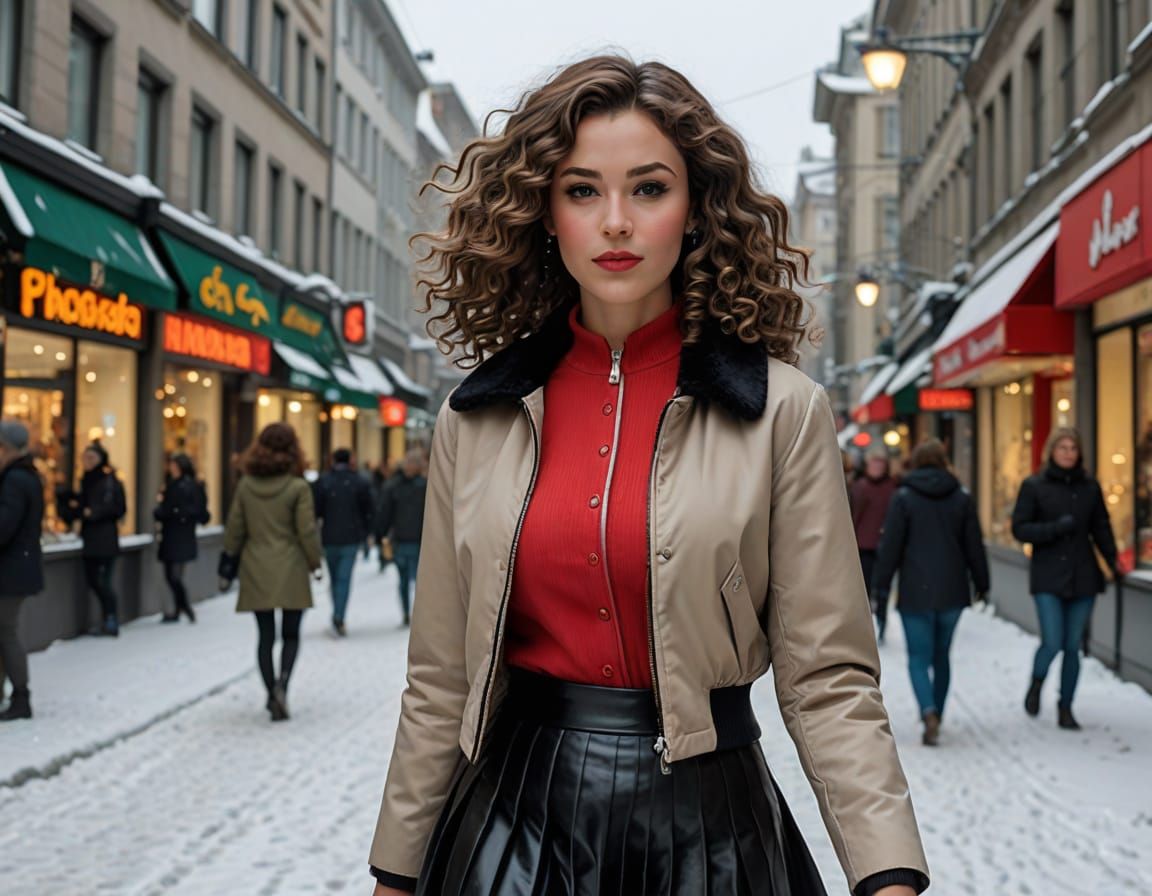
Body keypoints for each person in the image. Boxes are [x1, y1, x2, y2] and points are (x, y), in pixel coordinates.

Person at [367, 56, 928, 896]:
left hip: (715, 829)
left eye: (651, 189)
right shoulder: (476, 418)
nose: (617, 221)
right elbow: (443, 676)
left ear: (696, 209)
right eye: (583, 190)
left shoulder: (783, 412)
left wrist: (887, 872)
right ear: (544, 211)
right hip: (515, 825)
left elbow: (828, 678)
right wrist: (395, 873)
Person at [870, 439, 990, 746]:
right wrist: (982, 583)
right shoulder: (961, 498)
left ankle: (927, 711)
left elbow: (891, 546)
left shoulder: (904, 498)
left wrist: (880, 585)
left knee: (918, 657)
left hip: (915, 589)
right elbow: (974, 546)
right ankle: (939, 709)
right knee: (941, 656)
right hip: (952, 589)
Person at [1012, 427, 1118, 730]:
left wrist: (1112, 561)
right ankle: (1037, 682)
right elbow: (1020, 529)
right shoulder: (1034, 485)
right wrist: (1055, 528)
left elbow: (1101, 527)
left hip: (1083, 575)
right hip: (1048, 575)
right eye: (1063, 447)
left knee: (1073, 646)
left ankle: (1066, 706)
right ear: (1052, 451)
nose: (1068, 453)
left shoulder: (1090, 487)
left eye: (1073, 448)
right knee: (1053, 641)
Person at [222, 423, 322, 721]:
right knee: (291, 634)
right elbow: (306, 530)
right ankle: (283, 685)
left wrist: (229, 559)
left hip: (256, 566)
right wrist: (315, 562)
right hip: (290, 565)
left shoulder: (246, 485)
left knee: (265, 636)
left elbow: (235, 530)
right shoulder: (298, 487)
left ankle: (269, 691)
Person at [58, 442, 127, 637]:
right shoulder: (87, 480)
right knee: (95, 581)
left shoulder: (109, 481)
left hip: (104, 540)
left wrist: (93, 512)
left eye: (91, 458)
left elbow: (118, 508)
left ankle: (111, 619)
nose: (86, 462)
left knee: (102, 582)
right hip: (91, 539)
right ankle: (108, 618)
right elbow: (80, 507)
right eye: (84, 458)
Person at [0, 421, 44, 721]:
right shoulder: (26, 476)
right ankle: (16, 695)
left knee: (6, 633)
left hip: (11, 570)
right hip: (18, 566)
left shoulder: (15, 480)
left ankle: (21, 696)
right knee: (4, 633)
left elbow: (4, 526)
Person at [312, 447, 374, 636]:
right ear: (350, 461)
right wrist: (367, 532)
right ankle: (339, 615)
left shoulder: (324, 482)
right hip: (350, 537)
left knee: (335, 577)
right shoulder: (359, 482)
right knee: (344, 579)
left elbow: (316, 510)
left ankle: (337, 613)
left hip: (330, 537)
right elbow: (368, 510)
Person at [374, 448, 427, 627]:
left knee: (406, 580)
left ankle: (408, 612)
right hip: (416, 540)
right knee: (415, 580)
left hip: (407, 540)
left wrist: (380, 534)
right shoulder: (426, 486)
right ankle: (412, 613)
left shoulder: (394, 486)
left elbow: (384, 514)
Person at [154, 453, 210, 623]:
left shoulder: (188, 486)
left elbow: (198, 511)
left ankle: (184, 607)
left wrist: (169, 513)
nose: (171, 468)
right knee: (170, 574)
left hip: (180, 533)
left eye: (174, 465)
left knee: (174, 575)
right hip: (172, 533)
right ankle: (179, 609)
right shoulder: (172, 485)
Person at [851, 445, 900, 642]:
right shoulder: (859, 486)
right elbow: (853, 515)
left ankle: (881, 622)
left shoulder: (893, 488)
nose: (877, 466)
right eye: (874, 462)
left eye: (881, 462)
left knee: (883, 588)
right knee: (864, 588)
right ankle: (865, 626)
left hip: (886, 544)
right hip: (863, 545)